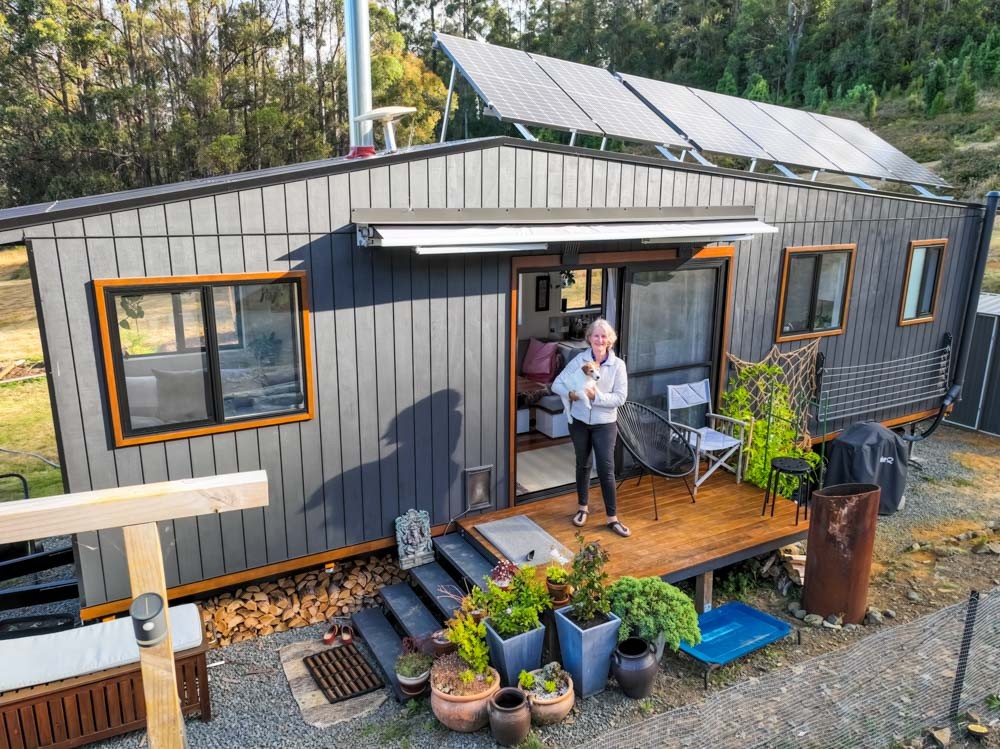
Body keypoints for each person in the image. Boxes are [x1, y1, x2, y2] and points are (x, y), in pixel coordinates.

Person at [551, 318, 630, 537]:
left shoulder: (618, 366)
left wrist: (597, 397)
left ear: (610, 340)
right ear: (590, 338)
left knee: (606, 468)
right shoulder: (579, 360)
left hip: (605, 424)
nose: (600, 339)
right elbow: (557, 383)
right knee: (583, 465)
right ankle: (582, 509)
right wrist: (570, 395)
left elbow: (621, 398)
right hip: (579, 423)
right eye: (596, 335)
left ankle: (612, 518)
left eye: (604, 336)